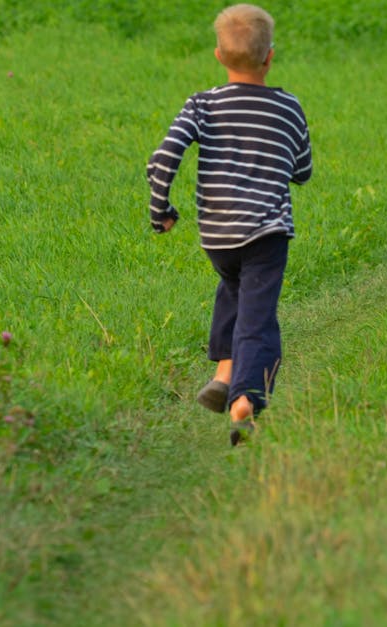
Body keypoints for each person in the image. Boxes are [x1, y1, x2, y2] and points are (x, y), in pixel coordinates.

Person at [147, 3, 312, 445]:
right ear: (269, 57)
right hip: (267, 232)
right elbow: (302, 169)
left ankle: (224, 371)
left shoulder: (203, 104)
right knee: (258, 318)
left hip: (218, 235)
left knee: (233, 288)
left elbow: (163, 158)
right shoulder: (289, 107)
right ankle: (246, 400)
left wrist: (160, 209)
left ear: (219, 56)